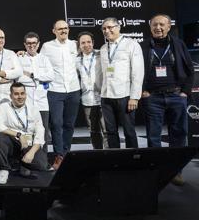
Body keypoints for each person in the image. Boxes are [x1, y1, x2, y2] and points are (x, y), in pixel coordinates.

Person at [140, 14, 194, 186]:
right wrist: (142, 91)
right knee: (153, 137)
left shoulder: (178, 44)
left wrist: (185, 92)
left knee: (178, 135)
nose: (158, 28)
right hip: (153, 98)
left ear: (169, 27)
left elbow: (190, 70)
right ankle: (156, 171)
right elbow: (136, 71)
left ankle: (176, 172)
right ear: (150, 27)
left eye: (162, 25)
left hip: (176, 96)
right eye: (155, 25)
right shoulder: (143, 46)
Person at [40, 20, 81, 170]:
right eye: (60, 29)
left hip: (73, 90)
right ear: (54, 31)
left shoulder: (75, 44)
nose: (63, 31)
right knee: (56, 124)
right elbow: (39, 62)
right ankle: (59, 155)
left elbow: (89, 53)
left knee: (69, 125)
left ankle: (65, 153)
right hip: (55, 90)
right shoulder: (47, 46)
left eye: (65, 28)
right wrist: (23, 54)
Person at [100, 17, 144, 149]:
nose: (107, 31)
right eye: (104, 29)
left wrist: (134, 97)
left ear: (118, 27)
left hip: (125, 95)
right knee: (111, 132)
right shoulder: (103, 48)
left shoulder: (131, 44)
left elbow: (138, 72)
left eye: (110, 27)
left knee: (129, 131)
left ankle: (133, 160)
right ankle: (115, 160)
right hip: (106, 96)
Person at [0, 82, 48, 184]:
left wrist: (31, 152)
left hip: (29, 144)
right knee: (0, 136)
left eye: (22, 93)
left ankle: (22, 164)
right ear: (11, 96)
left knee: (42, 165)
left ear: (26, 94)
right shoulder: (4, 107)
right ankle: (4, 169)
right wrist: (19, 135)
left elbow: (40, 132)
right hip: (13, 141)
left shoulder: (34, 109)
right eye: (16, 94)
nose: (20, 97)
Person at [17, 32, 54, 146]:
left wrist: (33, 75)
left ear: (38, 44)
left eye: (34, 43)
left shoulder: (44, 59)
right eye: (28, 43)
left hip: (42, 102)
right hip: (26, 102)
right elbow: (19, 78)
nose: (31, 45)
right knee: (27, 132)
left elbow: (51, 76)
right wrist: (40, 78)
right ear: (25, 44)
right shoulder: (19, 58)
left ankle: (44, 160)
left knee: (43, 133)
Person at [76, 32, 106, 149]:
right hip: (87, 100)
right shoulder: (76, 60)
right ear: (79, 45)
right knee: (93, 131)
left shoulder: (101, 54)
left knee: (107, 130)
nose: (86, 44)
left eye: (89, 42)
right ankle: (98, 154)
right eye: (83, 43)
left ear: (93, 43)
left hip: (103, 98)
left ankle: (109, 154)